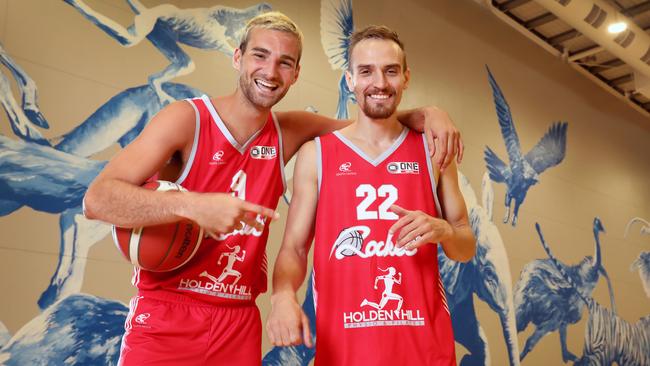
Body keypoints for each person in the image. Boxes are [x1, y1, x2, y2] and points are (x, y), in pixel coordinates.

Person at [83, 12, 463, 365]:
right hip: (169, 310)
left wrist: (430, 114)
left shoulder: (289, 130)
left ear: (296, 74)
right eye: (260, 56)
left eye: (285, 62)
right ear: (238, 58)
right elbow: (98, 199)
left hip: (239, 319)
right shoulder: (187, 119)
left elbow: (369, 122)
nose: (270, 71)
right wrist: (192, 206)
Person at [266, 25, 476, 365]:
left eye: (390, 71)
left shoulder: (431, 150)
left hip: (426, 352)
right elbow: (294, 248)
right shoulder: (317, 154)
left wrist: (444, 231)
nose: (379, 83)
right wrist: (282, 296)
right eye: (366, 71)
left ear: (406, 78)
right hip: (345, 353)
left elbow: (465, 246)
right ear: (350, 80)